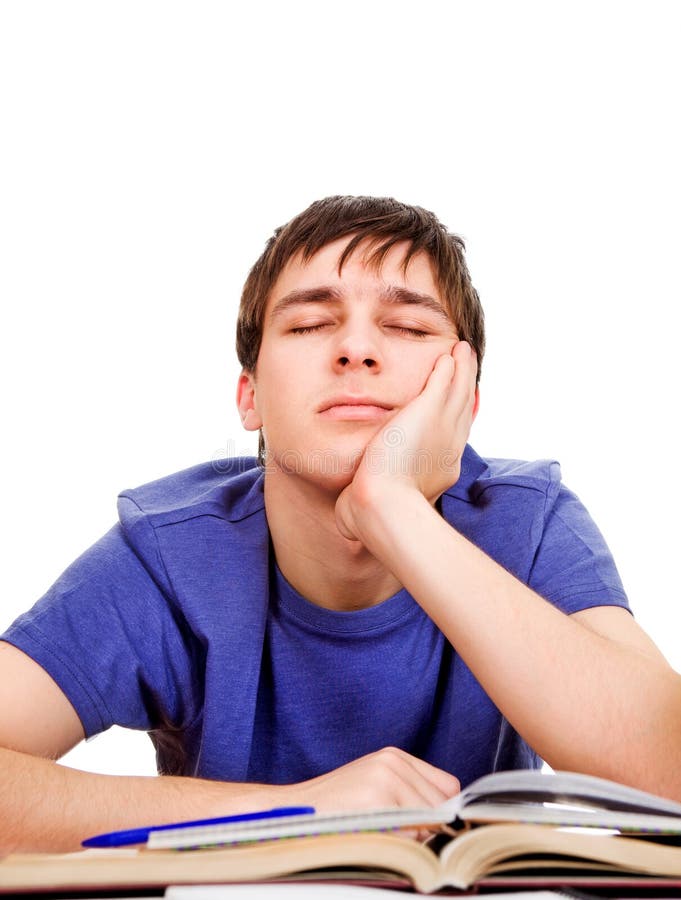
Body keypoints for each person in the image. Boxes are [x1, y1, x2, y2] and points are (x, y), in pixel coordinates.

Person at [1, 195, 680, 855]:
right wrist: (298, 813)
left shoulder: (527, 524)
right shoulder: (168, 557)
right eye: (307, 325)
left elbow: (667, 775)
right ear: (250, 397)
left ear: (463, 399)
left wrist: (389, 505)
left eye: (410, 328)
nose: (356, 348)